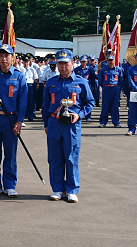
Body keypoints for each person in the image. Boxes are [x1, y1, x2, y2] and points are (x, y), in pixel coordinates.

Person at [42, 49, 94, 203]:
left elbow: (90, 102)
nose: (63, 67)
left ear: (72, 63)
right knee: (54, 157)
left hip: (72, 125)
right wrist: (46, 123)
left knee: (71, 157)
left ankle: (71, 189)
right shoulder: (51, 83)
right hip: (54, 123)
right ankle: (57, 189)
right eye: (60, 64)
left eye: (66, 63)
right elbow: (45, 104)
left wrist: (80, 115)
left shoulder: (81, 82)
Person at [0, 44, 27, 198]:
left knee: (10, 154)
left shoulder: (19, 76)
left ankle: (9, 185)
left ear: (12, 57)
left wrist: (19, 121)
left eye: (7, 55)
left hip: (11, 119)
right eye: (1, 56)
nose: (4, 59)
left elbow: (23, 101)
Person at [98, 55, 123, 128]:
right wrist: (104, 87)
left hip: (115, 88)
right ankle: (103, 122)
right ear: (107, 61)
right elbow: (100, 80)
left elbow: (121, 80)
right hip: (106, 88)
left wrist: (119, 88)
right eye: (109, 60)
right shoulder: (103, 70)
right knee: (105, 106)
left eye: (112, 60)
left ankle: (116, 122)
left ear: (114, 61)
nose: (110, 62)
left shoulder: (118, 69)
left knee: (115, 106)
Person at [73, 55, 96, 122]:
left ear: (87, 62)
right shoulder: (77, 69)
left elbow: (93, 77)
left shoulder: (90, 69)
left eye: (84, 61)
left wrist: (92, 86)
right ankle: (78, 115)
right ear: (80, 61)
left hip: (87, 87)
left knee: (87, 101)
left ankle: (88, 116)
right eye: (82, 61)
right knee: (79, 101)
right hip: (78, 88)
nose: (83, 63)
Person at [21, 55, 38, 121]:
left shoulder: (32, 69)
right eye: (25, 62)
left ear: (29, 62)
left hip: (30, 85)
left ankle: (30, 116)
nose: (26, 63)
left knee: (30, 101)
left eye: (27, 62)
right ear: (23, 62)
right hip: (22, 85)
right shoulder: (20, 69)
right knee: (22, 101)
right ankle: (22, 116)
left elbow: (35, 78)